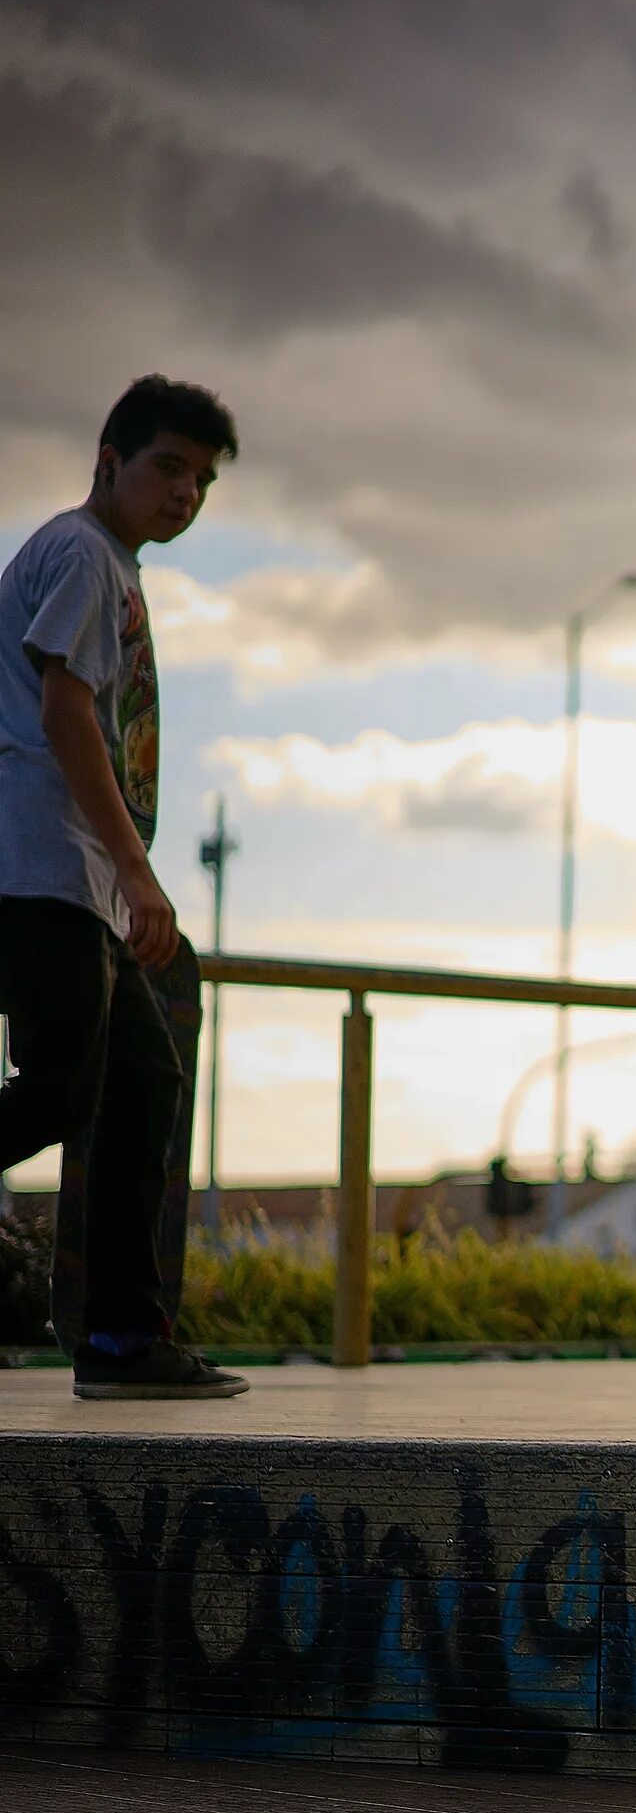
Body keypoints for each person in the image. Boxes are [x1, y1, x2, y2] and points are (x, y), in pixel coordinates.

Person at [0, 375, 244, 1398]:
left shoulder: (109, 567)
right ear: (109, 463)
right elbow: (64, 714)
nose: (185, 492)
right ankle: (118, 1338)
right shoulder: (86, 557)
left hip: (77, 882)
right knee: (66, 1088)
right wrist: (141, 876)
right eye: (168, 468)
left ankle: (121, 1340)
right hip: (45, 873)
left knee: (143, 1085)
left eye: (202, 479)